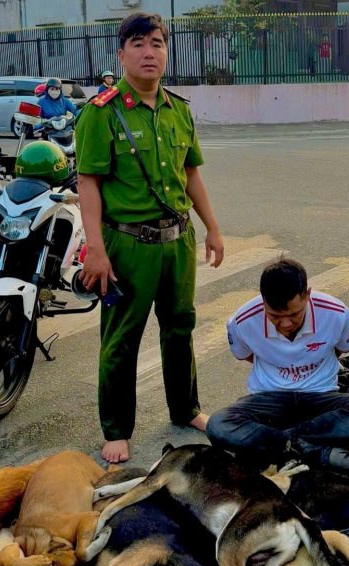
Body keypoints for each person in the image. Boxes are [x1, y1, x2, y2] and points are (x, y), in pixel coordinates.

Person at [76, 12, 224, 464]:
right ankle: (117, 428)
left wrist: (212, 227)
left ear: (166, 51)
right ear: (121, 54)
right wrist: (96, 250)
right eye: (138, 44)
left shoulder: (178, 109)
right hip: (128, 245)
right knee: (122, 336)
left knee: (180, 328)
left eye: (157, 43)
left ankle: (186, 408)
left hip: (177, 242)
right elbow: (88, 184)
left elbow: (190, 173)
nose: (149, 52)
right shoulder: (101, 114)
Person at [207, 259, 349, 482]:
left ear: (307, 294)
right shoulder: (242, 322)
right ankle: (319, 451)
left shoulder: (338, 315)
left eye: (294, 314)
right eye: (274, 316)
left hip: (321, 396)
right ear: (263, 302)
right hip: (269, 399)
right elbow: (246, 356)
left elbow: (340, 350)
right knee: (217, 425)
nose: (285, 324)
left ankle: (276, 446)